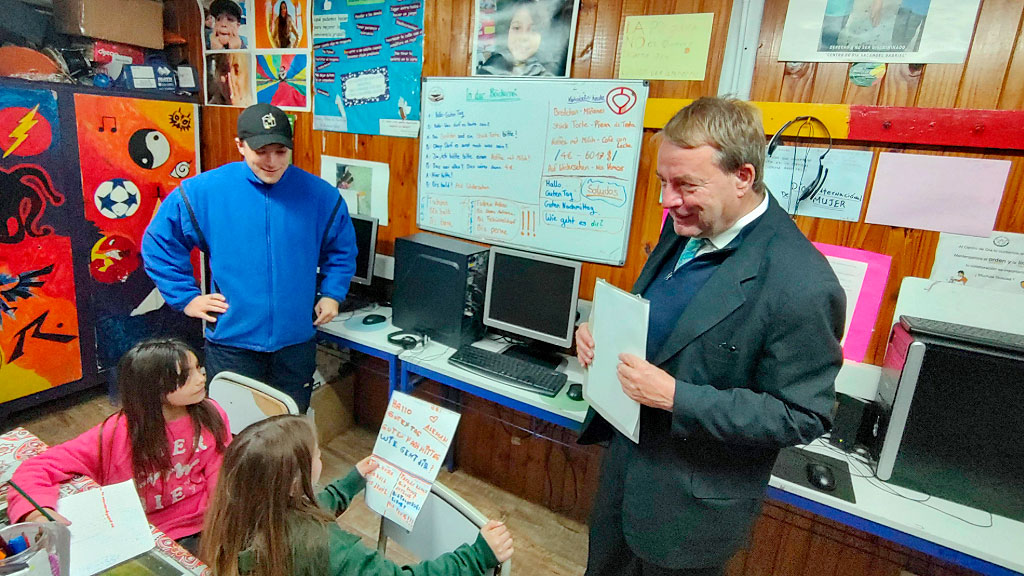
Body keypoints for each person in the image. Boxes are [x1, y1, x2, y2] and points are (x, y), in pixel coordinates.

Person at [575, 97, 845, 576]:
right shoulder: (685, 225)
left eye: (685, 184)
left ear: (743, 177)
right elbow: (666, 320)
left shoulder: (802, 282)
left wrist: (677, 397)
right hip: (627, 474)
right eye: (663, 182)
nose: (667, 200)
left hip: (690, 510)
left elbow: (802, 414)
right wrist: (600, 332)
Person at [142, 103, 357, 414]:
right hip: (232, 342)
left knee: (290, 426)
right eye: (261, 151)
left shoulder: (320, 196)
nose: (271, 162)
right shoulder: (203, 192)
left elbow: (342, 248)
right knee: (235, 431)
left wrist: (333, 293)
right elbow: (159, 242)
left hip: (295, 342)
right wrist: (186, 298)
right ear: (240, 145)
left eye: (281, 152)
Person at [200, 415, 514, 576]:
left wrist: (349, 484)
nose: (321, 458)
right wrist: (475, 556)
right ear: (295, 484)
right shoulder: (329, 548)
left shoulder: (237, 514)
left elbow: (296, 516)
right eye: (318, 455)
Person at [7, 339, 230, 555]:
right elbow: (36, 468)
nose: (201, 379)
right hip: (141, 535)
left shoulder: (211, 414)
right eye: (186, 376)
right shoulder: (116, 434)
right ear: (152, 388)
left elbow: (220, 471)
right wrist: (37, 513)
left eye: (199, 369)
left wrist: (219, 521)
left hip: (205, 525)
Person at [477, 1, 552, 76]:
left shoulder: (548, 76)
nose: (523, 37)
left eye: (533, 29)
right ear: (506, 32)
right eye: (516, 28)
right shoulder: (489, 71)